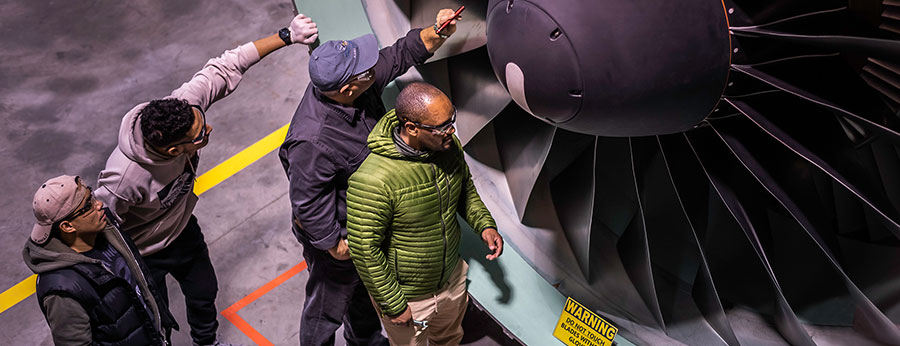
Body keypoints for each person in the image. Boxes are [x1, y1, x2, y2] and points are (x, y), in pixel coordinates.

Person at [93, 14, 319, 346]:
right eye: (199, 137)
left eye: (203, 123)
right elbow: (98, 225)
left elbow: (227, 65)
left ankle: (207, 342)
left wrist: (287, 35)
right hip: (144, 253)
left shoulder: (184, 107)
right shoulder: (123, 178)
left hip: (182, 231)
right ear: (173, 149)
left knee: (204, 293)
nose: (208, 130)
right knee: (156, 318)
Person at [278, 9, 461, 346]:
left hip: (368, 221)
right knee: (327, 305)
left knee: (363, 296)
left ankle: (365, 341)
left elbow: (398, 55)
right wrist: (336, 245)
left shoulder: (353, 85)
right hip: (337, 232)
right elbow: (307, 201)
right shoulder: (313, 140)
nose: (372, 68)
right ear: (347, 88)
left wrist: (438, 32)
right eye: (365, 69)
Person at [345, 82, 504, 346]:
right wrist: (393, 304)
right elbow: (364, 249)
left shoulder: (447, 147)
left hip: (451, 280)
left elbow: (464, 188)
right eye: (442, 127)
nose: (451, 131)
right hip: (409, 298)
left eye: (451, 120)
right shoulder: (374, 181)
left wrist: (484, 225)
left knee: (450, 338)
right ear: (411, 128)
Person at [24, 175, 178, 346]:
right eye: (88, 206)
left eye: (91, 195)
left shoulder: (105, 229)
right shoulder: (62, 289)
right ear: (67, 226)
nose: (99, 205)